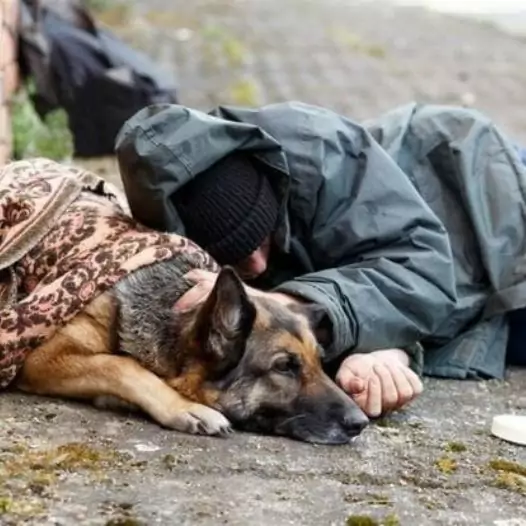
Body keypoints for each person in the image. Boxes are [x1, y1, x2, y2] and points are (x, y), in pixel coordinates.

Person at [115, 101, 526, 418]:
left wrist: (279, 303)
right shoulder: (173, 240)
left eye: (261, 237)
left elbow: (425, 271)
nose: (256, 266)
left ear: (271, 191)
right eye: (236, 256)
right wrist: (386, 352)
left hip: (492, 196)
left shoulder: (319, 151)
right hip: (485, 297)